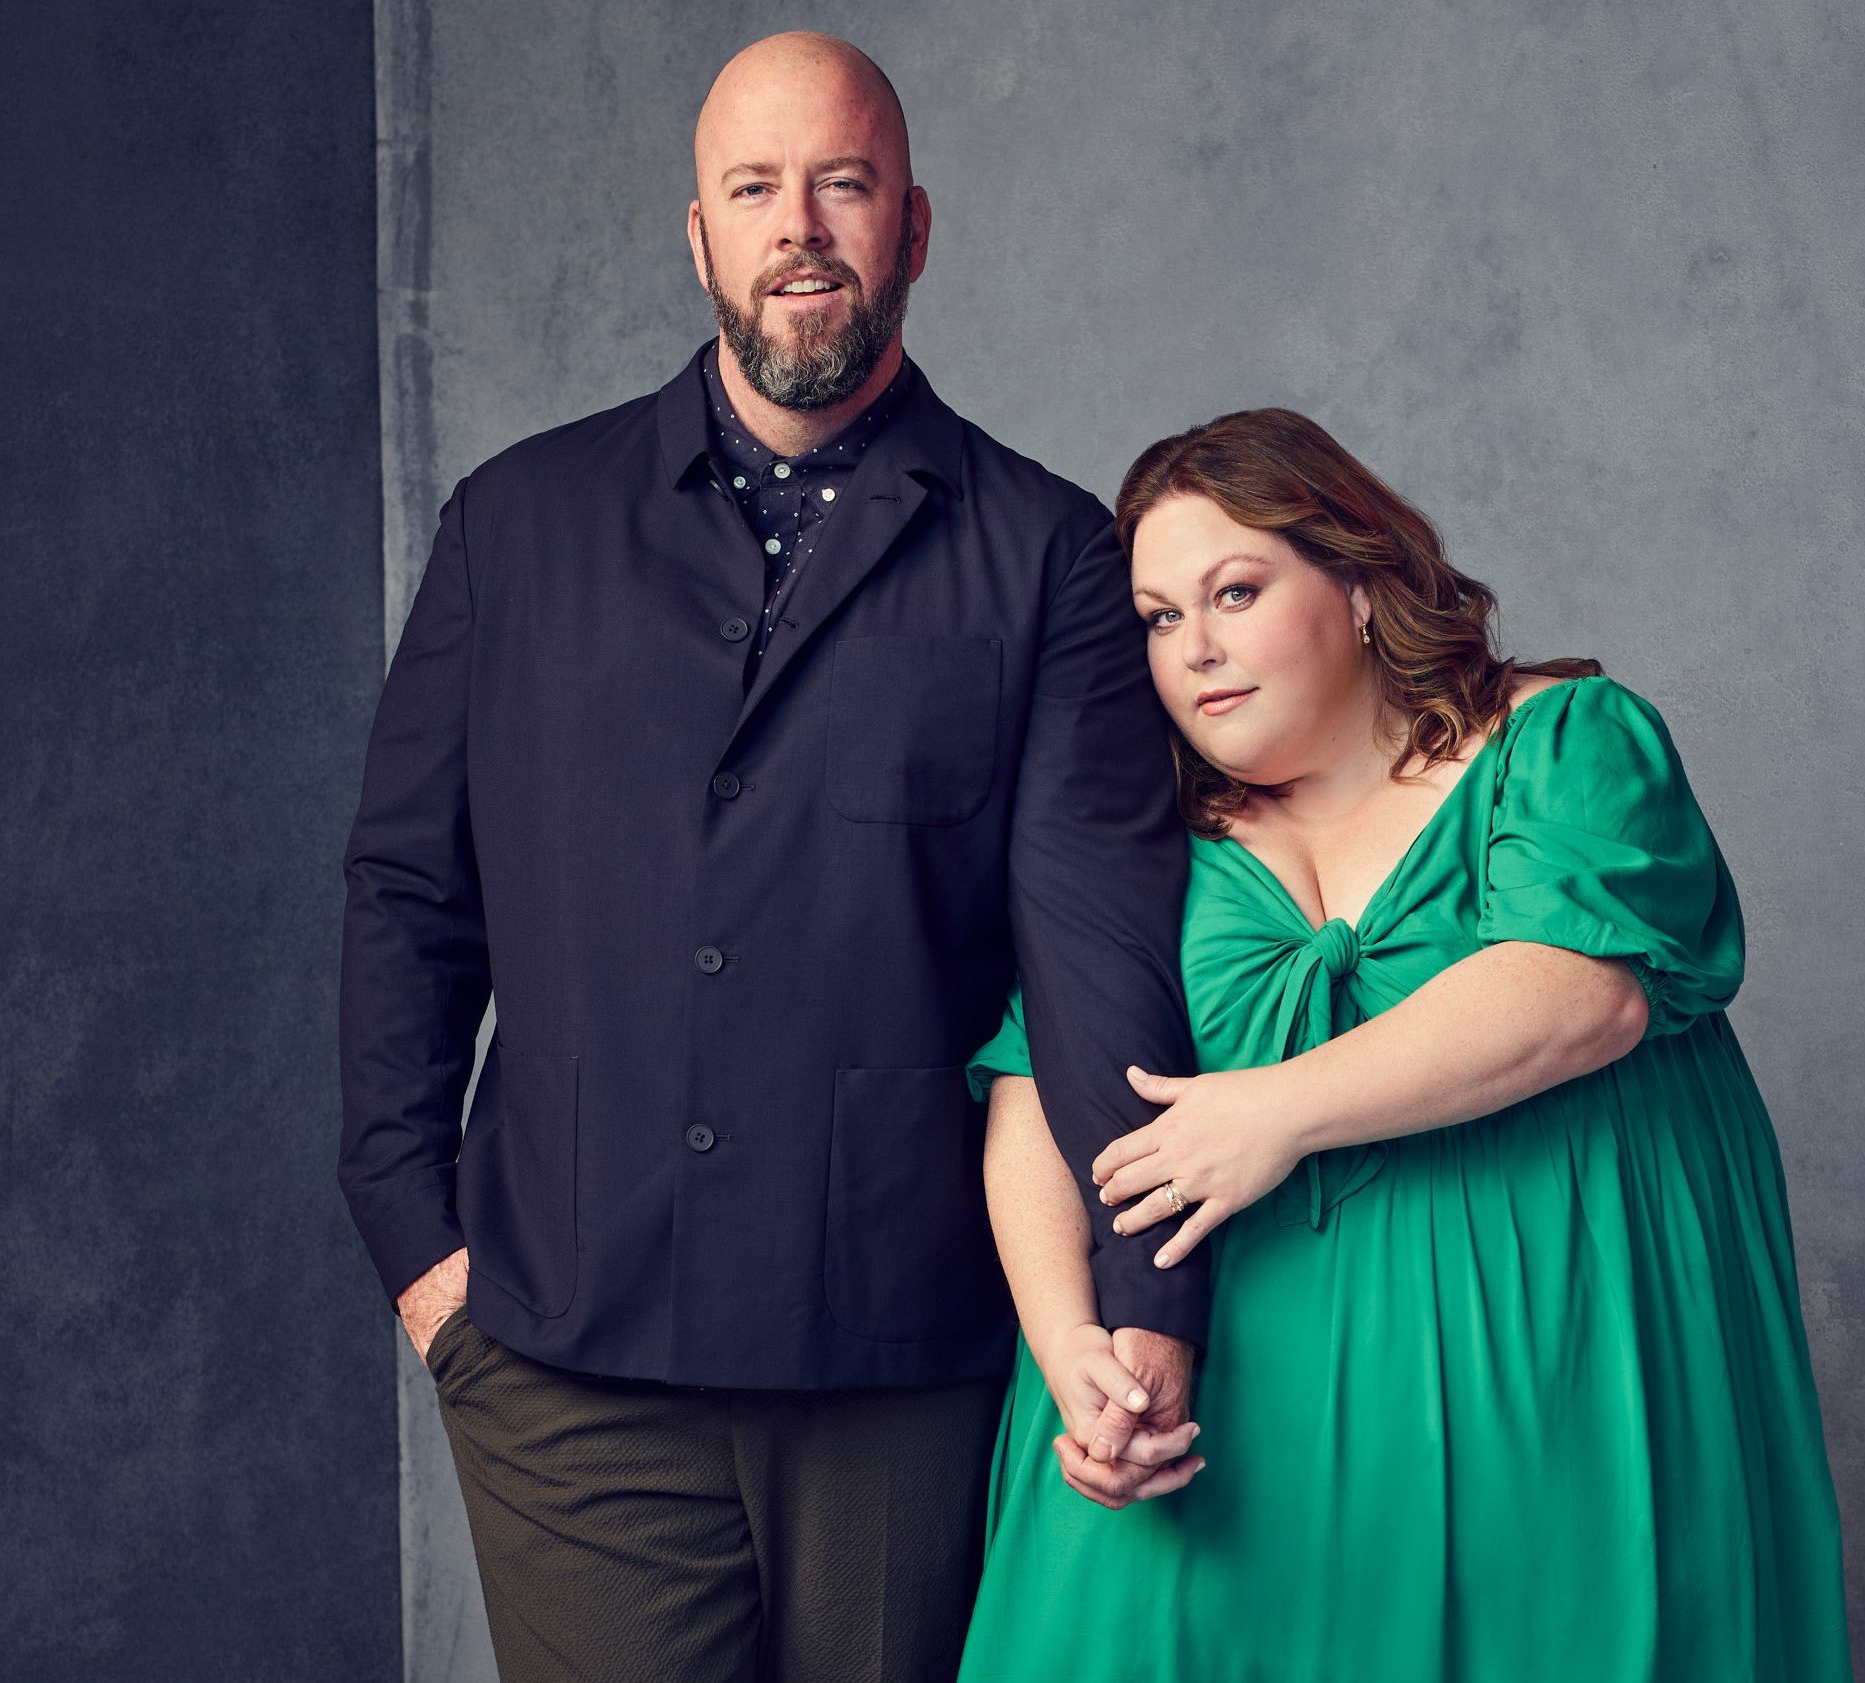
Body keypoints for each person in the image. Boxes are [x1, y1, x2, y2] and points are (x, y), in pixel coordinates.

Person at [336, 33, 1204, 1682]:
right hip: (563, 1352)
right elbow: (407, 896)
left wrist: (1145, 1295)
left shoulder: (1045, 555)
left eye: (842, 183)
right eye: (754, 189)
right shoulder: (513, 525)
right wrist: (415, 1246)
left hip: (902, 1361)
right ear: (699, 237)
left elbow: (1096, 958)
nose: (798, 226)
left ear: (913, 225)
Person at [957, 409, 1855, 1682]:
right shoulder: (1139, 841)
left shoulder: (1561, 740)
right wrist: (1071, 1356)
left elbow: (1578, 993)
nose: (1195, 648)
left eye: (1234, 592)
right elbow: (1030, 1102)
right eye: (1157, 618)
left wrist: (1271, 1111)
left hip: (1552, 1400)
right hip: (1218, 1438)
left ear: (1362, 583)